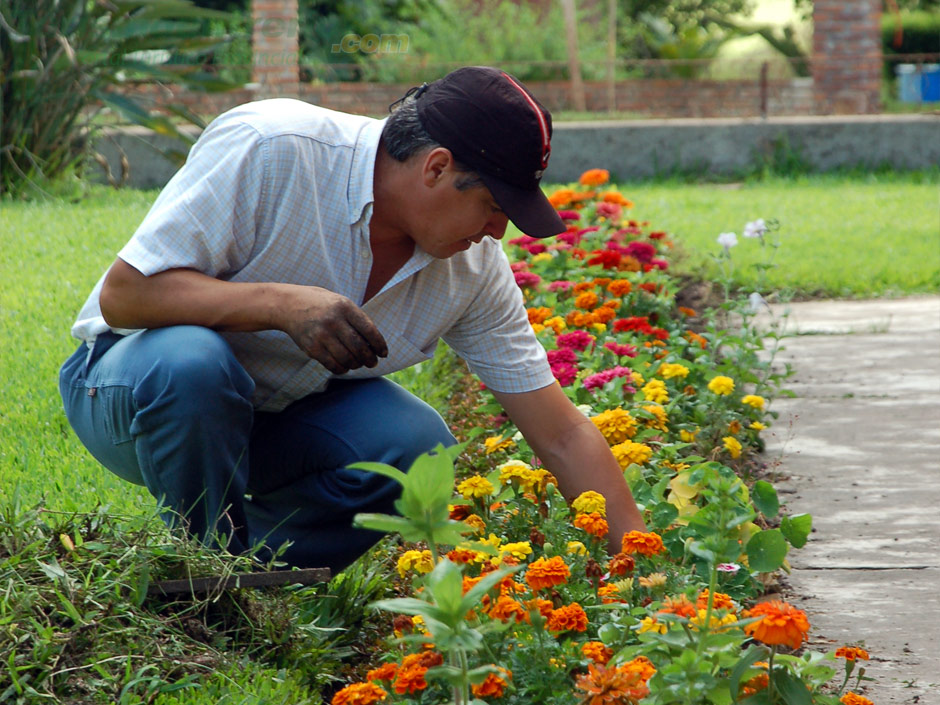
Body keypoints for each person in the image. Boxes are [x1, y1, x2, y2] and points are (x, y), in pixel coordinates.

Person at [59, 66, 646, 572]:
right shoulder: (273, 147)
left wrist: (645, 571)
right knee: (193, 361)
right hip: (135, 393)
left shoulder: (473, 270)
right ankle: (202, 570)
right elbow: (127, 296)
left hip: (274, 422)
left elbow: (562, 432)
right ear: (436, 168)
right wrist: (280, 304)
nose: (499, 231)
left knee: (420, 452)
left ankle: (247, 580)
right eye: (493, 207)